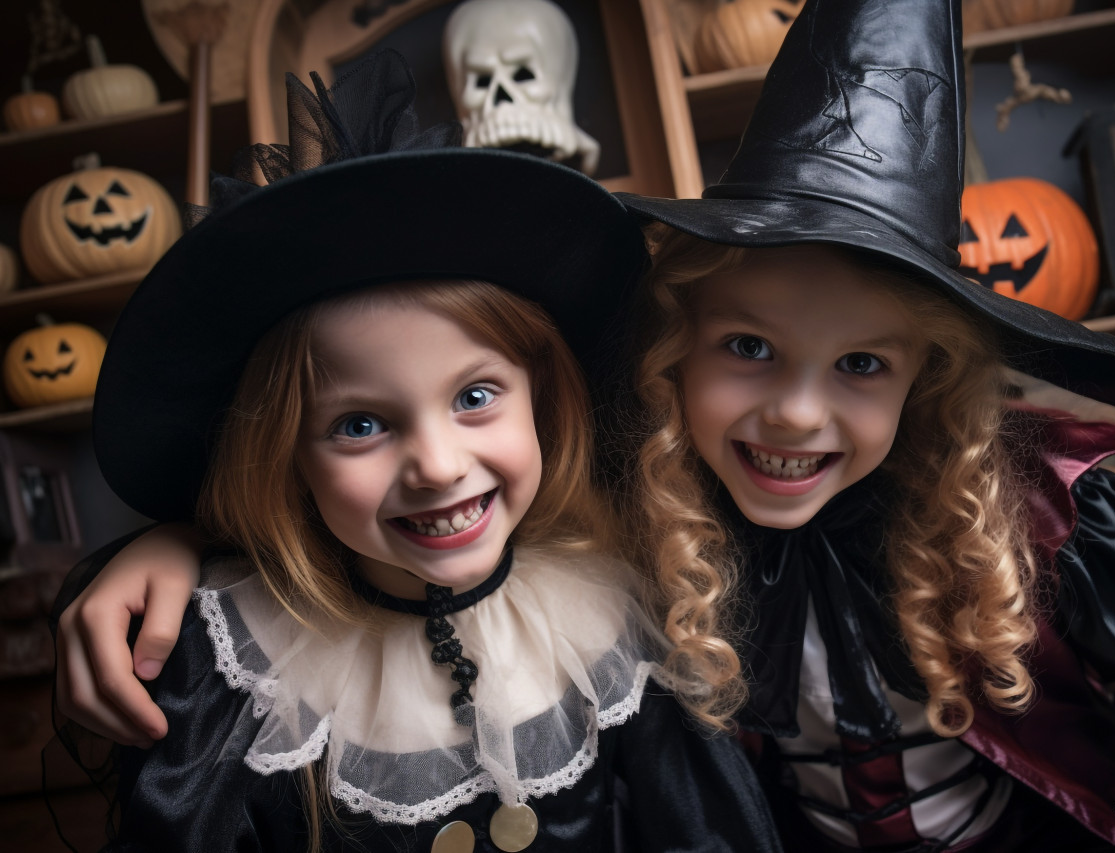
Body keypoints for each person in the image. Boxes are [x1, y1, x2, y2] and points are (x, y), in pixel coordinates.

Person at [55, 2, 1115, 851]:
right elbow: (364, 529)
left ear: (928, 380)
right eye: (746, 348)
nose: (794, 411)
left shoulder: (1045, 521)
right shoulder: (651, 506)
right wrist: (159, 549)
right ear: (668, 353)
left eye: (861, 364)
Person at [53, 51, 779, 853]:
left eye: (474, 397)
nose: (436, 464)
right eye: (360, 424)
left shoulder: (619, 613)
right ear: (284, 453)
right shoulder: (239, 670)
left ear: (541, 394)